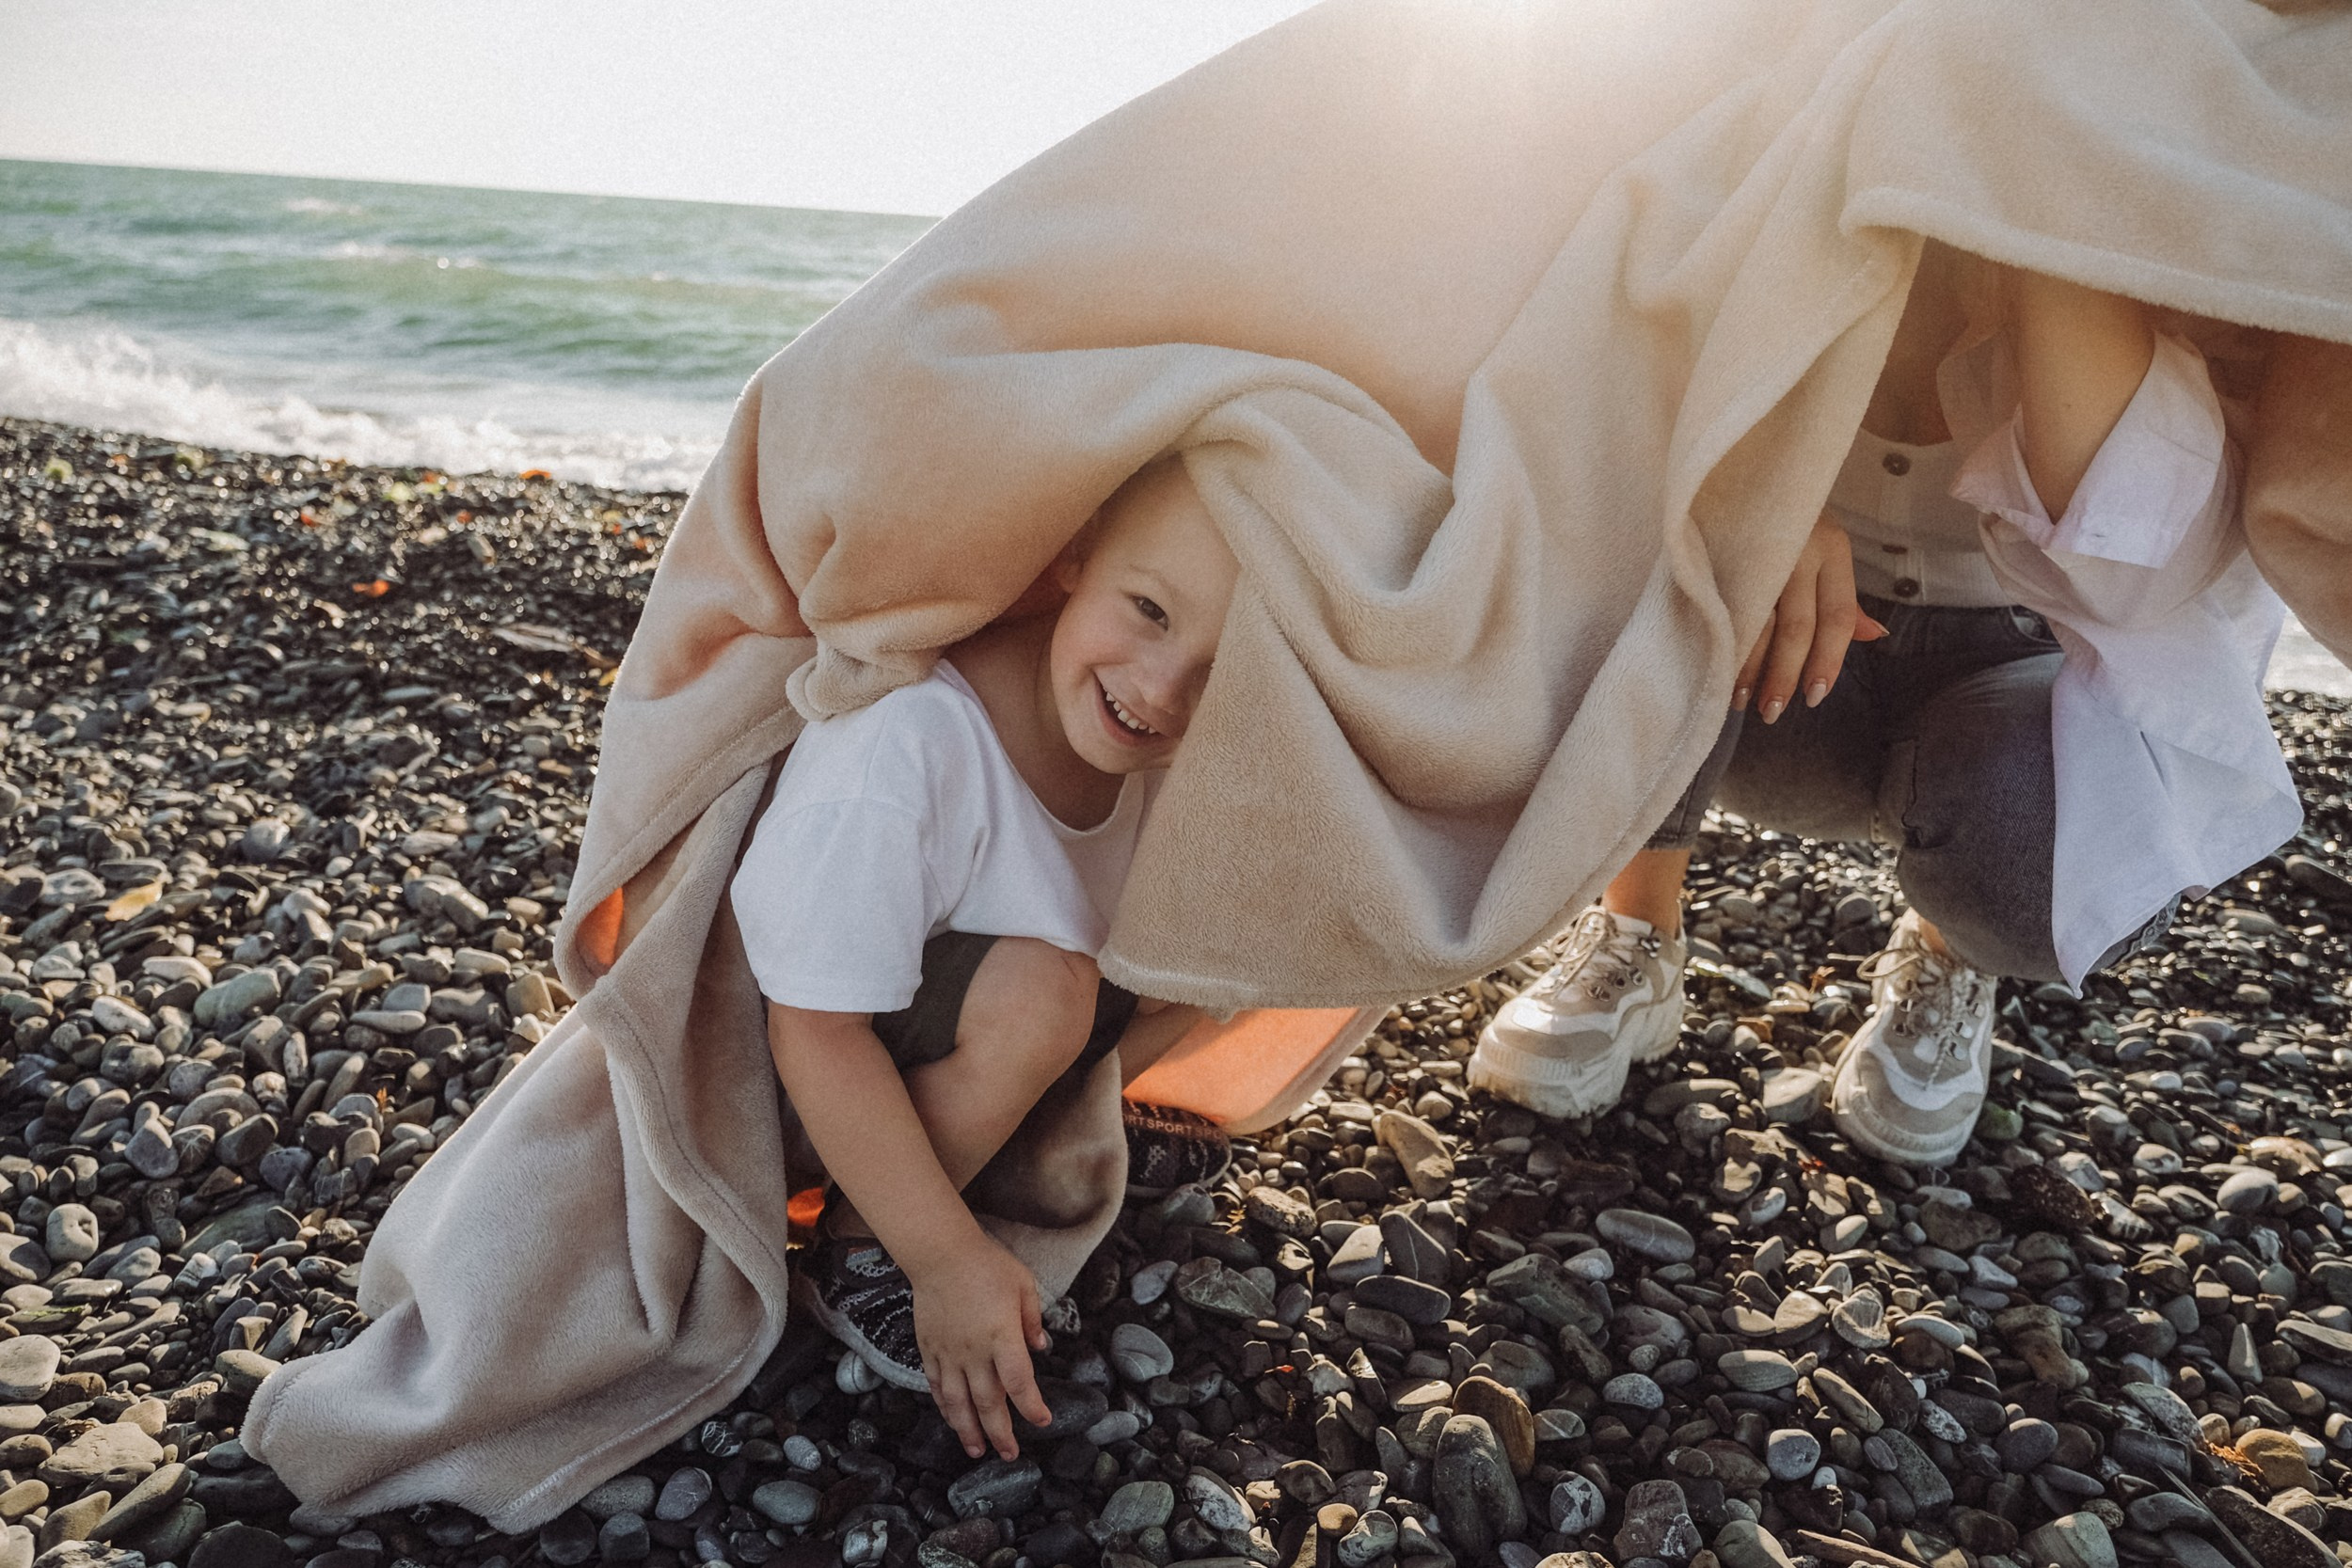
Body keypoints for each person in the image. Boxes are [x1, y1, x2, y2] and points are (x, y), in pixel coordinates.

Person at [1471, 244, 2301, 1166]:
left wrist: (2045, 250)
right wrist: (1755, 502)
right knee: (1641, 561)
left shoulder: (2098, 248)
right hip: (1778, 681)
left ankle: (1947, 952)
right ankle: (1636, 931)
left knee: (2052, 840)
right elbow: (1565, 395)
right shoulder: (1779, 197)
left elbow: (2137, 580)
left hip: (2010, 675)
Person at [729, 459, 1238, 1461]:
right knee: (1044, 991)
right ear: (1070, 558)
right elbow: (810, 1028)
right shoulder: (908, 746)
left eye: (1231, 666)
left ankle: (1047, 1124)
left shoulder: (1165, 749)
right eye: (1147, 609)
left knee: (1232, 935)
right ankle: (858, 1246)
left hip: (960, 1027)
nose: (1162, 687)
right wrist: (945, 1256)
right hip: (808, 1077)